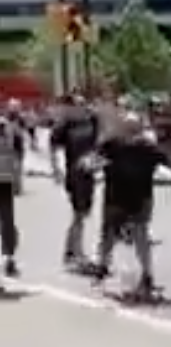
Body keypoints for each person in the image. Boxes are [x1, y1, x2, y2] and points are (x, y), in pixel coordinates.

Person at [91, 111, 171, 294]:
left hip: (139, 198)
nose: (131, 131)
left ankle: (147, 275)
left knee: (140, 236)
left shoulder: (148, 147)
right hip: (116, 197)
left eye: (134, 128)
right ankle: (102, 268)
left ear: (140, 129)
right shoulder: (111, 143)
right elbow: (95, 159)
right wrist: (94, 165)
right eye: (128, 127)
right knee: (109, 235)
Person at [50, 94, 102, 266]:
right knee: (78, 213)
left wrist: (97, 161)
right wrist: (56, 169)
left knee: (83, 213)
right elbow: (53, 146)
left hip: (88, 172)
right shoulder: (65, 125)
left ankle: (71, 250)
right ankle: (76, 251)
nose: (80, 107)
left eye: (82, 104)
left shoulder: (92, 121)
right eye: (77, 105)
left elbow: (98, 144)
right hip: (74, 174)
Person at [0, 107, 25, 281]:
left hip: (5, 182)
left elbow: (18, 154)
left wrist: (16, 179)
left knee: (8, 223)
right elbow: (18, 154)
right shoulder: (9, 128)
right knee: (7, 222)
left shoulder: (9, 128)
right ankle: (9, 258)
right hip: (6, 181)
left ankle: (9, 257)